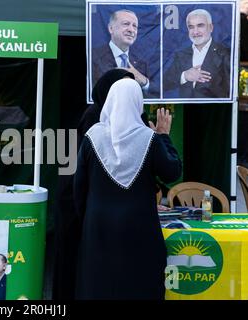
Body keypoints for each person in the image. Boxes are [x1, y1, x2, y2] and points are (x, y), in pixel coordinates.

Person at [74, 78, 182, 299]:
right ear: (137, 103)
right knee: (139, 282)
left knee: (99, 283)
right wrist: (164, 136)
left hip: (99, 225)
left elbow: (79, 188)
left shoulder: (92, 137)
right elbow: (172, 172)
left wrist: (86, 219)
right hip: (139, 226)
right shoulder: (149, 138)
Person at [52, 68, 135, 300]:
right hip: (74, 198)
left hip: (82, 194)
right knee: (73, 259)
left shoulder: (111, 116)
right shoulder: (95, 115)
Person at [164, 9, 230, 98]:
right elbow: (165, 83)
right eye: (191, 27)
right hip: (185, 109)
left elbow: (230, 89)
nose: (195, 32)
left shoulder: (225, 53)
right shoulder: (181, 55)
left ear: (211, 27)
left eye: (200, 26)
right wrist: (184, 76)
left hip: (213, 110)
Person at [92, 10, 151, 95]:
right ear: (111, 28)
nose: (131, 30)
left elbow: (156, 92)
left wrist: (144, 82)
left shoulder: (142, 60)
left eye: (135, 26)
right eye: (126, 24)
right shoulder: (94, 56)